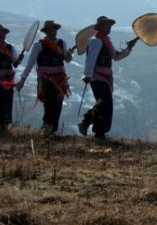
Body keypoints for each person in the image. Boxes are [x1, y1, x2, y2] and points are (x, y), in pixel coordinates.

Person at [78, 16, 137, 145]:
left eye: (109, 25)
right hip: (97, 77)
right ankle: (98, 132)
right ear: (100, 27)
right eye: (106, 25)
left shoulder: (106, 41)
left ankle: (88, 123)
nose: (109, 27)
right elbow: (91, 59)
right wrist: (88, 75)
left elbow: (115, 57)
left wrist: (129, 48)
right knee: (104, 104)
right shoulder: (96, 41)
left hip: (105, 78)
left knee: (104, 104)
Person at [17, 20, 73, 137]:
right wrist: (22, 80)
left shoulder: (62, 43)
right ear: (46, 31)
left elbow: (67, 60)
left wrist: (69, 55)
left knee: (58, 103)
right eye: (52, 29)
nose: (54, 31)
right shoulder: (39, 45)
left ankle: (52, 129)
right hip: (46, 79)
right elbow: (30, 64)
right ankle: (47, 125)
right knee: (50, 101)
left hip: (60, 79)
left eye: (55, 29)